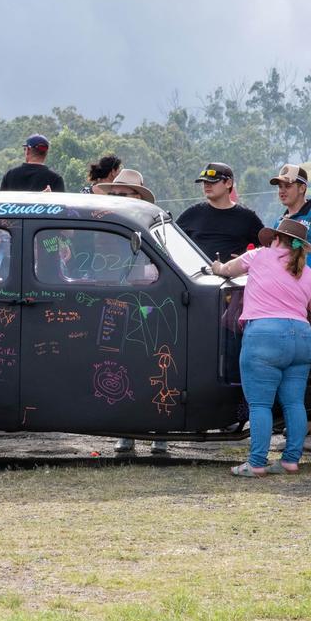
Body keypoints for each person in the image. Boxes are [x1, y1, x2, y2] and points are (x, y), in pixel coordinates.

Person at [211, 218, 311, 476]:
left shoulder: (259, 255)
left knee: (260, 405)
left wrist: (216, 265)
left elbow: (227, 270)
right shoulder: (310, 275)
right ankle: (290, 460)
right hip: (301, 338)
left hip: (263, 335)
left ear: (276, 238)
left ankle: (256, 463)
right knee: (295, 403)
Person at [94, 169, 168, 455]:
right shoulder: (102, 226)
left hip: (147, 303)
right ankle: (126, 431)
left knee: (152, 367)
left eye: (123, 194)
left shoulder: (151, 226)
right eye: (114, 193)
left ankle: (159, 431)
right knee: (117, 368)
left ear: (137, 197)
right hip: (112, 303)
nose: (117, 198)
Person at [178, 162, 263, 260]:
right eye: (204, 182)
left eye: (212, 181)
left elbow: (268, 248)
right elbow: (171, 242)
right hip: (197, 275)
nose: (207, 185)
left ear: (228, 183)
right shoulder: (192, 214)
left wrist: (249, 260)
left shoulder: (247, 217)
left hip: (234, 275)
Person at [271, 164, 311, 274]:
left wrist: (310, 284)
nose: (282, 191)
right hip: (285, 287)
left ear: (302, 188)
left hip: (310, 287)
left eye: (288, 186)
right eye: (280, 186)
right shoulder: (279, 222)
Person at [0, 134, 65, 192]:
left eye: (24, 149)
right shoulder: (56, 179)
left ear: (28, 150)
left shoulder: (10, 175)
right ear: (46, 153)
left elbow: (0, 202)